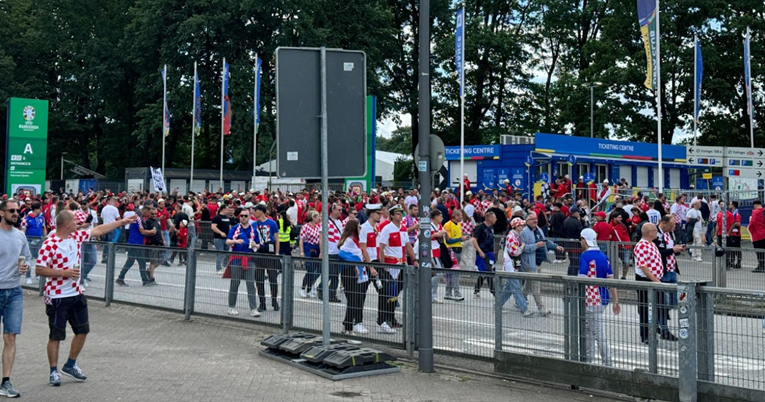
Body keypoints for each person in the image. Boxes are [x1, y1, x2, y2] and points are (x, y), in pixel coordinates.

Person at [36, 209, 135, 387]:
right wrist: (64, 273)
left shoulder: (76, 237)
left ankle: (70, 364)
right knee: (56, 335)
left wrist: (121, 222)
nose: (78, 223)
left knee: (83, 330)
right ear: (67, 224)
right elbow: (39, 269)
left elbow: (98, 230)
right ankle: (53, 371)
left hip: (76, 293)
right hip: (57, 296)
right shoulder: (50, 243)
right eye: (75, 221)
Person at [0, 201, 32, 397]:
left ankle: (6, 382)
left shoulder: (20, 235)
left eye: (17, 211)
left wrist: (26, 266)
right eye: (11, 211)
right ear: (1, 212)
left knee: (10, 336)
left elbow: (27, 257)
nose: (15, 214)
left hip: (14, 291)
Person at [578, 228, 620, 366]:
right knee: (590, 330)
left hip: (590, 299)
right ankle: (588, 360)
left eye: (581, 239)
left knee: (596, 332)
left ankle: (606, 363)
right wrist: (615, 300)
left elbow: (581, 278)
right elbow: (611, 280)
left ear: (585, 240)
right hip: (603, 299)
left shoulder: (585, 256)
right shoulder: (604, 256)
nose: (580, 242)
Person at [377, 205, 418, 334]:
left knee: (395, 294)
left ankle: (391, 318)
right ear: (392, 215)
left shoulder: (403, 229)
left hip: (401, 264)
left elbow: (407, 246)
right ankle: (384, 319)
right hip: (390, 265)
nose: (400, 215)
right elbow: (381, 248)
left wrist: (414, 259)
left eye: (401, 213)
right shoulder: (387, 229)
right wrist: (382, 265)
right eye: (397, 213)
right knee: (388, 293)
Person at [520, 212, 564, 316]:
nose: (535, 221)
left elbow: (545, 241)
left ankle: (520, 300)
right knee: (536, 285)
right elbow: (523, 248)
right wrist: (536, 245)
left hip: (538, 263)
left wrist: (555, 246)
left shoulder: (538, 229)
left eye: (536, 218)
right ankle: (541, 308)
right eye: (532, 219)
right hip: (529, 263)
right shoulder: (524, 232)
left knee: (528, 284)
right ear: (527, 221)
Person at [338, 220, 377, 335]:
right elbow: (343, 253)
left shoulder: (353, 240)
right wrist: (355, 262)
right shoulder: (350, 240)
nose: (360, 229)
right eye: (359, 227)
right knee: (353, 300)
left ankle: (346, 325)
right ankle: (349, 328)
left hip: (351, 270)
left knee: (352, 299)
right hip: (349, 271)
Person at [225, 209, 261, 317]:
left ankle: (253, 308)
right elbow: (227, 241)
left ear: (249, 217)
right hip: (236, 258)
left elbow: (259, 245)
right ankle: (231, 306)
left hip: (249, 259)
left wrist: (255, 245)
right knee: (235, 283)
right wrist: (235, 241)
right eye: (242, 216)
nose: (243, 218)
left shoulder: (253, 230)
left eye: (246, 216)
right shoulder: (235, 228)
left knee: (250, 284)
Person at [654, 215, 684, 341]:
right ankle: (664, 329)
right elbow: (657, 253)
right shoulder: (655, 234)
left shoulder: (669, 234)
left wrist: (677, 249)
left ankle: (656, 321)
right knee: (664, 303)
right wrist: (672, 250)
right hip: (663, 272)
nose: (672, 228)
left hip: (672, 270)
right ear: (663, 223)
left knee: (673, 301)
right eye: (670, 226)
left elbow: (671, 250)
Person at [633, 223, 663, 344]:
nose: (657, 232)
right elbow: (643, 266)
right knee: (646, 308)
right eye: (655, 230)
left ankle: (653, 329)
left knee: (655, 307)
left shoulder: (652, 244)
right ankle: (646, 335)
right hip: (646, 281)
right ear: (649, 232)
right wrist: (655, 279)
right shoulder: (641, 246)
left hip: (655, 280)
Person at [116, 202, 156, 286]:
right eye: (149, 213)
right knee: (132, 261)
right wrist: (151, 232)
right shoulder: (138, 218)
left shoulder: (138, 217)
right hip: (135, 243)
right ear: (145, 210)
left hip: (136, 242)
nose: (149, 215)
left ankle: (144, 280)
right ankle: (121, 277)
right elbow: (142, 231)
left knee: (140, 262)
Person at [499, 218, 531, 317]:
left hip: (513, 264)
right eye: (521, 225)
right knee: (516, 287)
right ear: (516, 226)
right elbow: (514, 252)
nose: (522, 226)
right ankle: (524, 308)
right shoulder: (511, 237)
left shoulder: (516, 235)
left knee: (509, 287)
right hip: (510, 265)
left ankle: (498, 304)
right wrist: (522, 247)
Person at [252, 204, 280, 312]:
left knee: (273, 278)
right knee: (259, 279)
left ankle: (274, 300)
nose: (254, 212)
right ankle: (262, 302)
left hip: (270, 254)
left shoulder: (272, 223)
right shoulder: (254, 224)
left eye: (256, 210)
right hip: (259, 253)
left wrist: (277, 253)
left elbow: (277, 239)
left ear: (261, 211)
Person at [317, 203, 344, 303]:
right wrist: (322, 251)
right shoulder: (326, 222)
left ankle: (332, 294)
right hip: (329, 252)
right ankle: (321, 289)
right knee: (330, 274)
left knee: (336, 275)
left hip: (338, 252)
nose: (340, 212)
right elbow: (321, 237)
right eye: (339, 210)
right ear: (333, 210)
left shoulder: (339, 222)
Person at [442, 211, 468, 301]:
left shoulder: (459, 225)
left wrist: (462, 239)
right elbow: (448, 240)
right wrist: (460, 239)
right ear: (455, 216)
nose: (461, 217)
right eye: (460, 216)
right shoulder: (448, 225)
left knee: (451, 273)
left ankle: (448, 293)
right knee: (454, 273)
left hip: (458, 249)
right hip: (451, 250)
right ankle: (456, 293)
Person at [472, 211, 497, 298]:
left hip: (489, 253)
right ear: (489, 219)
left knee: (485, 272)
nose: (496, 219)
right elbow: (474, 239)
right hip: (482, 253)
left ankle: (476, 290)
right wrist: (480, 251)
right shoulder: (480, 227)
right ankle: (494, 291)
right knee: (488, 271)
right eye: (494, 218)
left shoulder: (491, 228)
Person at [20, 201, 46, 285]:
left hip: (39, 241)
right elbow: (23, 229)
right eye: (40, 208)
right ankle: (28, 277)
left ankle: (38, 274)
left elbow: (43, 228)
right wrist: (23, 240)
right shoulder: (26, 218)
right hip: (29, 241)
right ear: (36, 209)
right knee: (29, 259)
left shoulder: (41, 218)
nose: (41, 210)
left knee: (39, 258)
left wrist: (45, 238)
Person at [298, 211, 322, 298]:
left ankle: (310, 287)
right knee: (310, 270)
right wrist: (302, 252)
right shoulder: (305, 227)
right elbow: (301, 239)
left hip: (316, 249)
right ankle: (303, 288)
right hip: (308, 249)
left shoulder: (319, 226)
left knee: (314, 270)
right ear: (313, 218)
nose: (319, 218)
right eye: (317, 217)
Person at [609, 212, 632, 280]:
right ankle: (613, 276)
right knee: (613, 262)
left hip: (625, 246)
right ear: (614, 218)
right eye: (619, 218)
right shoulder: (610, 226)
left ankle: (623, 276)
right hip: (615, 246)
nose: (621, 219)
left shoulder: (622, 226)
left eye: (621, 217)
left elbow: (625, 235)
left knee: (626, 262)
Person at [561, 207, 584, 276]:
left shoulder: (565, 221)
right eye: (578, 212)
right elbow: (581, 233)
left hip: (568, 244)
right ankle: (573, 278)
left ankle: (570, 276)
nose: (579, 214)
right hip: (576, 245)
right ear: (575, 213)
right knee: (575, 263)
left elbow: (562, 232)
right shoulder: (577, 222)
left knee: (572, 262)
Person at [210, 204, 231, 275]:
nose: (228, 211)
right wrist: (220, 232)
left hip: (227, 238)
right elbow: (213, 227)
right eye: (227, 209)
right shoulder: (217, 217)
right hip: (219, 238)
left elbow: (229, 226)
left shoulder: (227, 217)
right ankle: (218, 268)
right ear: (223, 209)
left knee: (227, 253)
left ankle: (225, 266)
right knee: (220, 253)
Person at [750, 200, 765, 273]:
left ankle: (761, 266)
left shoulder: (755, 213)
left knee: (759, 252)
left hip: (758, 235)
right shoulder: (763, 211)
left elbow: (752, 223)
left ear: (755, 205)